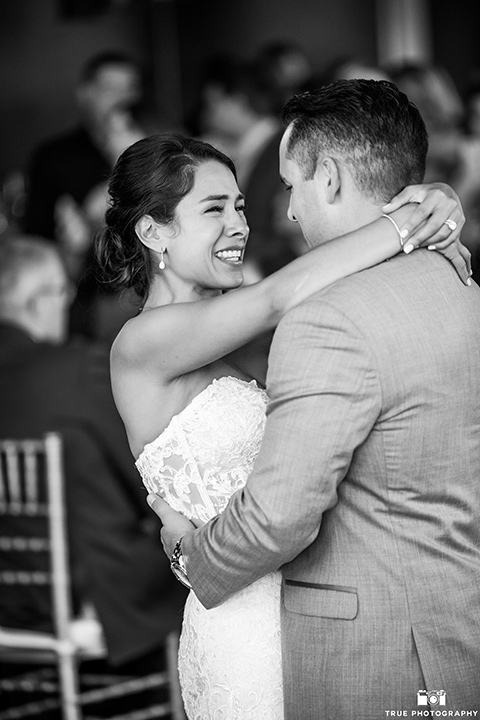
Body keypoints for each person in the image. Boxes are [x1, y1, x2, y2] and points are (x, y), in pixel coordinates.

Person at [95, 127, 469, 718]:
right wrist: (412, 220)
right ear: (154, 231)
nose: (239, 226)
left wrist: (437, 204)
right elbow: (282, 294)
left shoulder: (224, 341)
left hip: (308, 615)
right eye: (214, 209)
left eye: (240, 206)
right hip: (241, 622)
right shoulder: (142, 342)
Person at [0, 235, 187, 674]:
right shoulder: (74, 370)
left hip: (10, 599)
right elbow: (147, 476)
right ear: (35, 302)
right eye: (63, 292)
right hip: (92, 596)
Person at [23, 51, 146, 338]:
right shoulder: (54, 157)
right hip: (88, 297)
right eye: (111, 89)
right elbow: (36, 238)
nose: (122, 98)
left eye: (131, 88)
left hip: (160, 288)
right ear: (85, 94)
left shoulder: (158, 144)